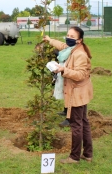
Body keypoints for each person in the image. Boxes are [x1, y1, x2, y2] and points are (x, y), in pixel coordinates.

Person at [43, 26, 93, 164]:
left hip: (77, 94)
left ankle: (74, 157)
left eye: (72, 36)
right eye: (68, 35)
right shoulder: (72, 49)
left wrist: (63, 70)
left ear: (79, 40)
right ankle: (88, 154)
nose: (68, 38)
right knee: (83, 123)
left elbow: (81, 74)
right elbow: (62, 45)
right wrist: (49, 40)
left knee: (76, 125)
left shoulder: (80, 54)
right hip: (81, 92)